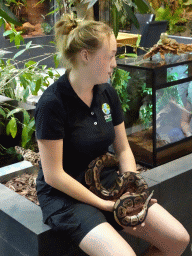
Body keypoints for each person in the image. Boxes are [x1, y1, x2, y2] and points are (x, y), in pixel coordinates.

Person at [35, 13, 190, 256]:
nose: (115, 64)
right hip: (67, 195)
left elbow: (123, 148)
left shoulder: (106, 93)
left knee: (178, 239)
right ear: (85, 56)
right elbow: (54, 176)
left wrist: (130, 188)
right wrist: (107, 205)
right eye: (110, 56)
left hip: (106, 182)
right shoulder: (52, 103)